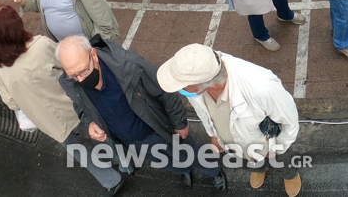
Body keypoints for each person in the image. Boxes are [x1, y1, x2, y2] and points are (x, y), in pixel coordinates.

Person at [56, 35, 227, 192]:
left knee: (194, 153)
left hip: (161, 128)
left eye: (84, 71)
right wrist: (90, 124)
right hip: (132, 142)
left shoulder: (128, 64)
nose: (80, 80)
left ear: (93, 55)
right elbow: (81, 108)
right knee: (166, 161)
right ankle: (184, 169)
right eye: (73, 75)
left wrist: (180, 122)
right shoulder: (69, 83)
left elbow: (164, 90)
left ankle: (214, 171)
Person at [0, 6, 125, 194]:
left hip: (49, 122)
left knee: (80, 151)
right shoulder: (41, 45)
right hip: (75, 106)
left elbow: (12, 103)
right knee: (100, 134)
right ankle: (123, 162)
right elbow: (66, 65)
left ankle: (111, 180)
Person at [156, 44, 301, 197]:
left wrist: (277, 149)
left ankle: (290, 175)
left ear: (205, 83)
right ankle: (259, 169)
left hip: (270, 144)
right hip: (236, 146)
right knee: (250, 164)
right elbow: (204, 113)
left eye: (183, 87)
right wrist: (213, 134)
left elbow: (289, 122)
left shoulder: (263, 87)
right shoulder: (195, 86)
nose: (181, 90)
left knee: (283, 161)